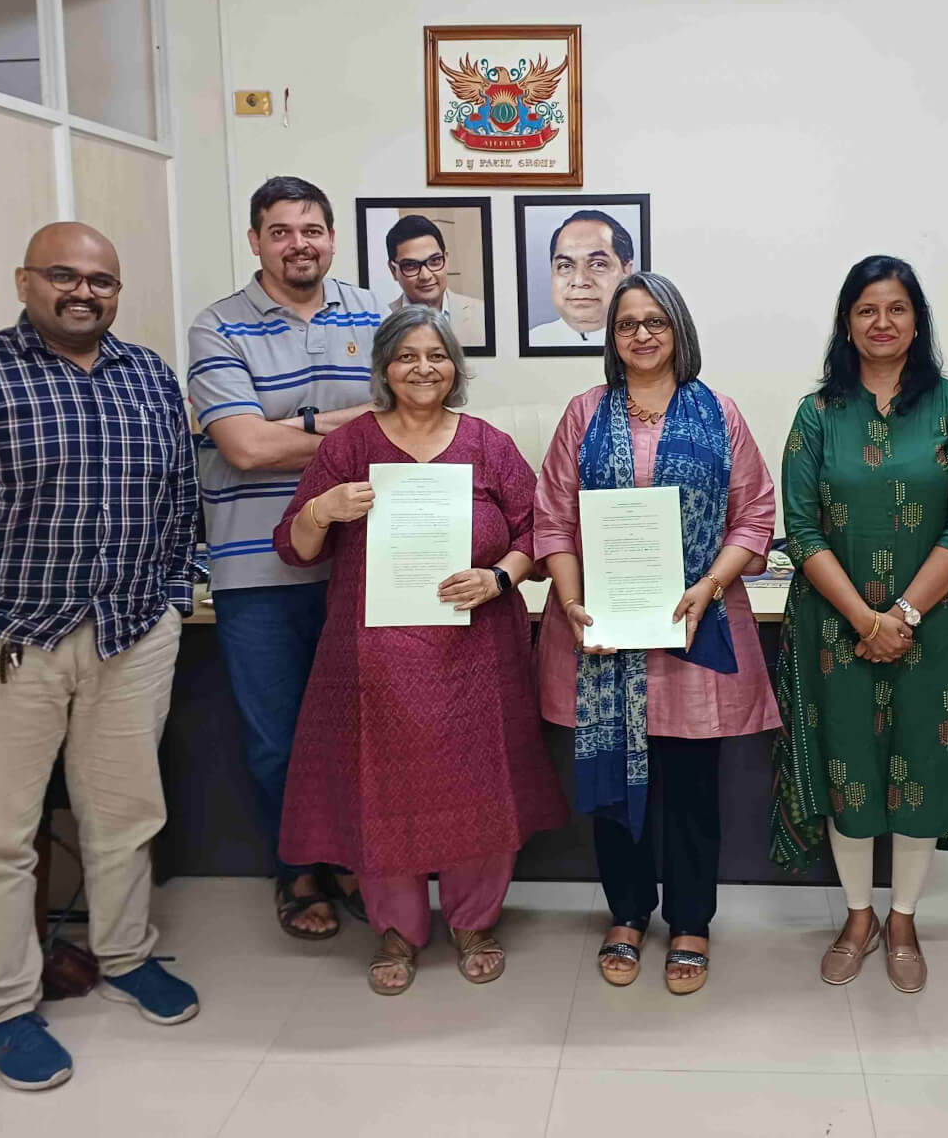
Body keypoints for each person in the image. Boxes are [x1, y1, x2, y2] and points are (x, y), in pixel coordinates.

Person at [0, 223, 200, 1091]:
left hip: (129, 636)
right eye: (64, 275)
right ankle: (5, 1005)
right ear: (26, 282)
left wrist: (173, 596)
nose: (84, 291)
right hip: (2, 645)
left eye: (102, 280)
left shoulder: (149, 376)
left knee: (128, 818)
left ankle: (126, 956)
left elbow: (180, 499)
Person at [271, 305, 566, 994]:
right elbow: (294, 546)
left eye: (436, 355)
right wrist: (322, 509)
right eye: (406, 356)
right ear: (384, 368)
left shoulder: (488, 444)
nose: (423, 368)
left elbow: (539, 532)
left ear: (455, 368)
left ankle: (474, 921)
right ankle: (397, 929)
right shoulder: (350, 447)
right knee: (381, 792)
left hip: (476, 653)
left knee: (478, 787)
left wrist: (499, 577)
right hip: (373, 659)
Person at [535, 271, 778, 994]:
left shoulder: (719, 413)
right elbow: (553, 517)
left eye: (655, 322)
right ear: (611, 338)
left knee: (693, 787)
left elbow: (754, 516)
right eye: (626, 324)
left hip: (692, 629)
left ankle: (692, 921)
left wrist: (709, 586)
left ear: (678, 330)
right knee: (614, 777)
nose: (641, 334)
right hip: (605, 636)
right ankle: (628, 913)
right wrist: (572, 602)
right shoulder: (584, 413)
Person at [771, 255, 948, 995]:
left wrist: (901, 615)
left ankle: (903, 918)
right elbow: (801, 528)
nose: (882, 322)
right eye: (867, 309)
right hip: (836, 629)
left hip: (935, 626)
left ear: (917, 321)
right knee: (850, 770)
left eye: (897, 308)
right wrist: (864, 619)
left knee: (920, 770)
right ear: (847, 323)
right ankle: (858, 915)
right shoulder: (817, 414)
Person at [187, 176, 386, 941]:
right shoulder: (218, 326)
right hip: (255, 572)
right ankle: (298, 869)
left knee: (361, 731)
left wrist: (288, 427)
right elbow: (243, 447)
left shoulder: (374, 313)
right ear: (256, 241)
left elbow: (408, 421)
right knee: (278, 738)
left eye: (311, 230)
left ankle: (352, 861)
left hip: (361, 565)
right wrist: (340, 426)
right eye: (280, 231)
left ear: (331, 237)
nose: (298, 244)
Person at [526, 209, 635, 346]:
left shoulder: (645, 342)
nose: (579, 281)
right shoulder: (534, 340)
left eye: (598, 264)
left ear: (626, 271)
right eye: (565, 266)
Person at [385, 213, 485, 348]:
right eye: (410, 265)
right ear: (393, 270)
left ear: (446, 259)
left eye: (435, 261)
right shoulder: (382, 320)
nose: (425, 276)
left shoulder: (482, 315)